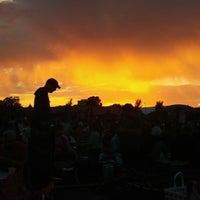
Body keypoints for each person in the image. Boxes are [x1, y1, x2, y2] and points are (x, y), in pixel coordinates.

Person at [25, 78, 60, 191]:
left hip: (41, 128)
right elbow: (40, 113)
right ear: (49, 85)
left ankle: (45, 177)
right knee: (43, 154)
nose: (54, 90)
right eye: (54, 87)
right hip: (41, 130)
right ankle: (43, 180)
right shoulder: (41, 93)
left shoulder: (42, 93)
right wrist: (46, 125)